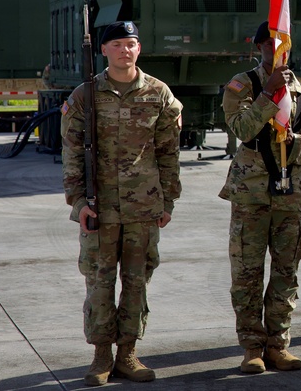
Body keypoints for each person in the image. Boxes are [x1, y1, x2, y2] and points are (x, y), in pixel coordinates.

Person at [61, 21, 183, 386]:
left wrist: (168, 201)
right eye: (116, 44)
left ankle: (128, 353)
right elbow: (71, 155)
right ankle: (101, 356)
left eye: (130, 44)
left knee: (136, 283)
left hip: (144, 206)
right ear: (103, 51)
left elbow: (168, 152)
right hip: (99, 209)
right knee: (99, 284)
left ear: (139, 49)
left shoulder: (159, 94)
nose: (124, 50)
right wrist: (79, 202)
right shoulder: (85, 95)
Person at [221, 22, 301, 374]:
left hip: (289, 198)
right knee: (247, 275)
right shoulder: (242, 85)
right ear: (259, 46)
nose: (276, 49)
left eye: (282, 43)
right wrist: (267, 94)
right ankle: (252, 346)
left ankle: (278, 345)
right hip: (251, 196)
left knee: (286, 274)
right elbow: (241, 130)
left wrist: (296, 145)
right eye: (269, 43)